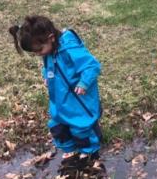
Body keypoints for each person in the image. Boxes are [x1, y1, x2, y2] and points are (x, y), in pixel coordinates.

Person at [9, 15, 103, 160]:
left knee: (81, 126)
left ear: (51, 38)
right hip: (61, 98)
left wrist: (84, 82)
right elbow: (48, 66)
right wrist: (47, 75)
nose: (38, 54)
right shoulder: (49, 49)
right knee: (58, 126)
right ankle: (70, 148)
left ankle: (88, 150)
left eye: (39, 50)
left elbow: (92, 65)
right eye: (34, 52)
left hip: (78, 99)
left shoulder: (69, 49)